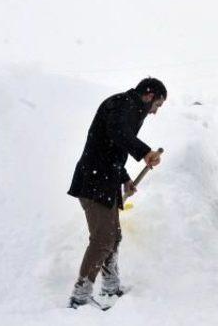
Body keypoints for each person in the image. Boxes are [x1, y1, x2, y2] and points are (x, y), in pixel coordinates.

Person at [67, 78, 166, 308]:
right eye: (157, 105)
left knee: (114, 236)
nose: (155, 112)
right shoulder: (122, 104)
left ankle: (110, 285)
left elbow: (112, 149)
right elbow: (117, 133)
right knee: (102, 238)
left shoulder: (130, 108)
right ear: (150, 96)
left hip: (106, 179)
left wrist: (125, 179)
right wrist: (145, 152)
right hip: (93, 181)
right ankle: (80, 295)